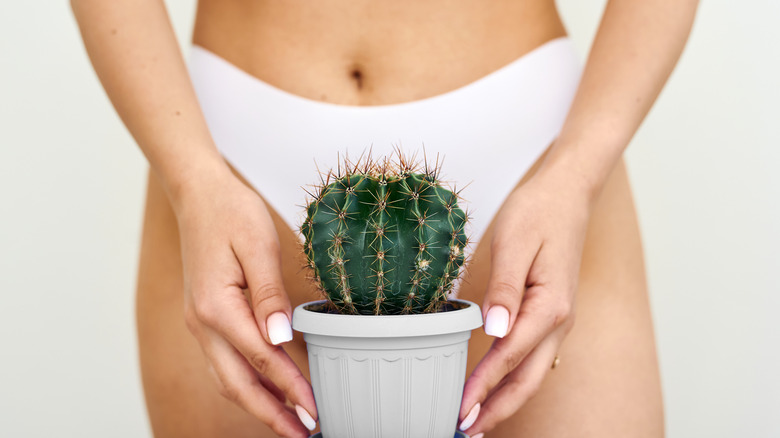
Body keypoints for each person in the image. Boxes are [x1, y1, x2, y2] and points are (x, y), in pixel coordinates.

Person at [71, 0, 698, 437]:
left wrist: (579, 172)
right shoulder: (204, 173)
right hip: (222, 157)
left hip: (540, 154)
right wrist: (192, 177)